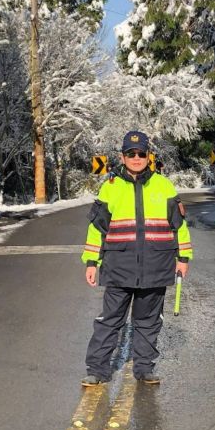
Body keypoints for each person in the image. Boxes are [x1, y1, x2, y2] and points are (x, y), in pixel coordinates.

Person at [80, 131, 193, 386]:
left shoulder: (163, 186)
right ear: (122, 156)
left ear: (148, 156)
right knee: (109, 321)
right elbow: (97, 228)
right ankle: (97, 370)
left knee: (148, 322)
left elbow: (179, 226)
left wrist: (183, 257)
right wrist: (91, 262)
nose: (136, 158)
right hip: (118, 266)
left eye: (141, 153)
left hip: (156, 266)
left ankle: (144, 369)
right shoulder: (110, 187)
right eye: (131, 154)